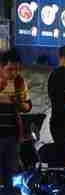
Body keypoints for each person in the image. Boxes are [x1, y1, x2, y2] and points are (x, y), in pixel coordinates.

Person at [0, 49, 31, 186]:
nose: (14, 73)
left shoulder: (19, 82)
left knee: (11, 173)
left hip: (13, 136)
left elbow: (27, 106)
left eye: (17, 69)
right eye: (10, 69)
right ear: (1, 67)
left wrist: (18, 102)